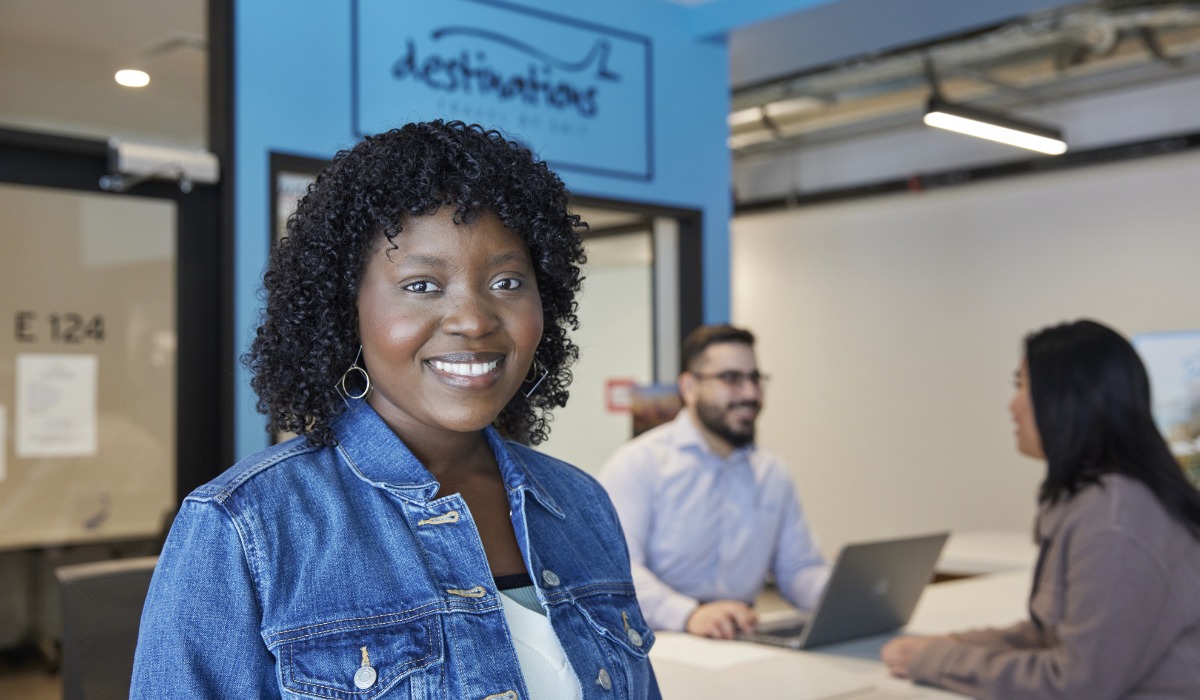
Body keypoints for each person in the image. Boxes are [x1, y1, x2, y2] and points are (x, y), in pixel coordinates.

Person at [131, 121, 660, 699]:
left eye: (507, 281)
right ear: (346, 308)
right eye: (422, 286)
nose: (474, 320)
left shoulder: (580, 506)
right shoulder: (243, 526)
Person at [882, 319, 1200, 699]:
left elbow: (1077, 683)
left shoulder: (1115, 521)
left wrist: (940, 661)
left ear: (1069, 397)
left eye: (1022, 386)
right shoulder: (1101, 497)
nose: (1012, 406)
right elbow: (1053, 634)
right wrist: (956, 643)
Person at [598, 324, 830, 639]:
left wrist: (848, 595)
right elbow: (615, 571)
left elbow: (798, 570)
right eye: (731, 379)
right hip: (658, 641)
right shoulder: (639, 464)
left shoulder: (773, 472)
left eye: (755, 379)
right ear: (689, 387)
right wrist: (689, 614)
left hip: (741, 637)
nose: (750, 394)